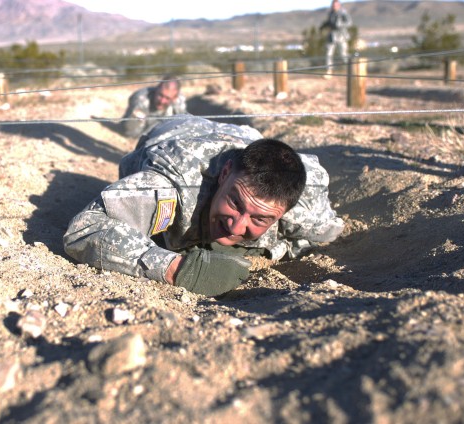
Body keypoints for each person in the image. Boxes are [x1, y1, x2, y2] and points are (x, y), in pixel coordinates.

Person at [63, 116, 344, 297]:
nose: (236, 225)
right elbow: (85, 229)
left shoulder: (307, 203)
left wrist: (276, 249)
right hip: (173, 129)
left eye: (259, 219)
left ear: (284, 212)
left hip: (242, 134)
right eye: (235, 202)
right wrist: (176, 268)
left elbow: (329, 233)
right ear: (224, 175)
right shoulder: (176, 183)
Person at [119, 75, 187, 138]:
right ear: (156, 89)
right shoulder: (141, 98)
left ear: (174, 98)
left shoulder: (179, 102)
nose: (162, 101)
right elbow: (130, 131)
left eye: (167, 98)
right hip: (139, 130)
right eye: (160, 95)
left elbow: (183, 125)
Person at [320, 0, 352, 77]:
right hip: (332, 36)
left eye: (336, 5)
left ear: (339, 5)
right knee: (328, 54)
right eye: (333, 5)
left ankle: (352, 68)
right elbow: (328, 22)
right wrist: (323, 26)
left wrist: (341, 24)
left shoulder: (343, 12)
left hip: (341, 36)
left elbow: (349, 22)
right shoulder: (331, 13)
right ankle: (329, 71)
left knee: (343, 54)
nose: (334, 6)